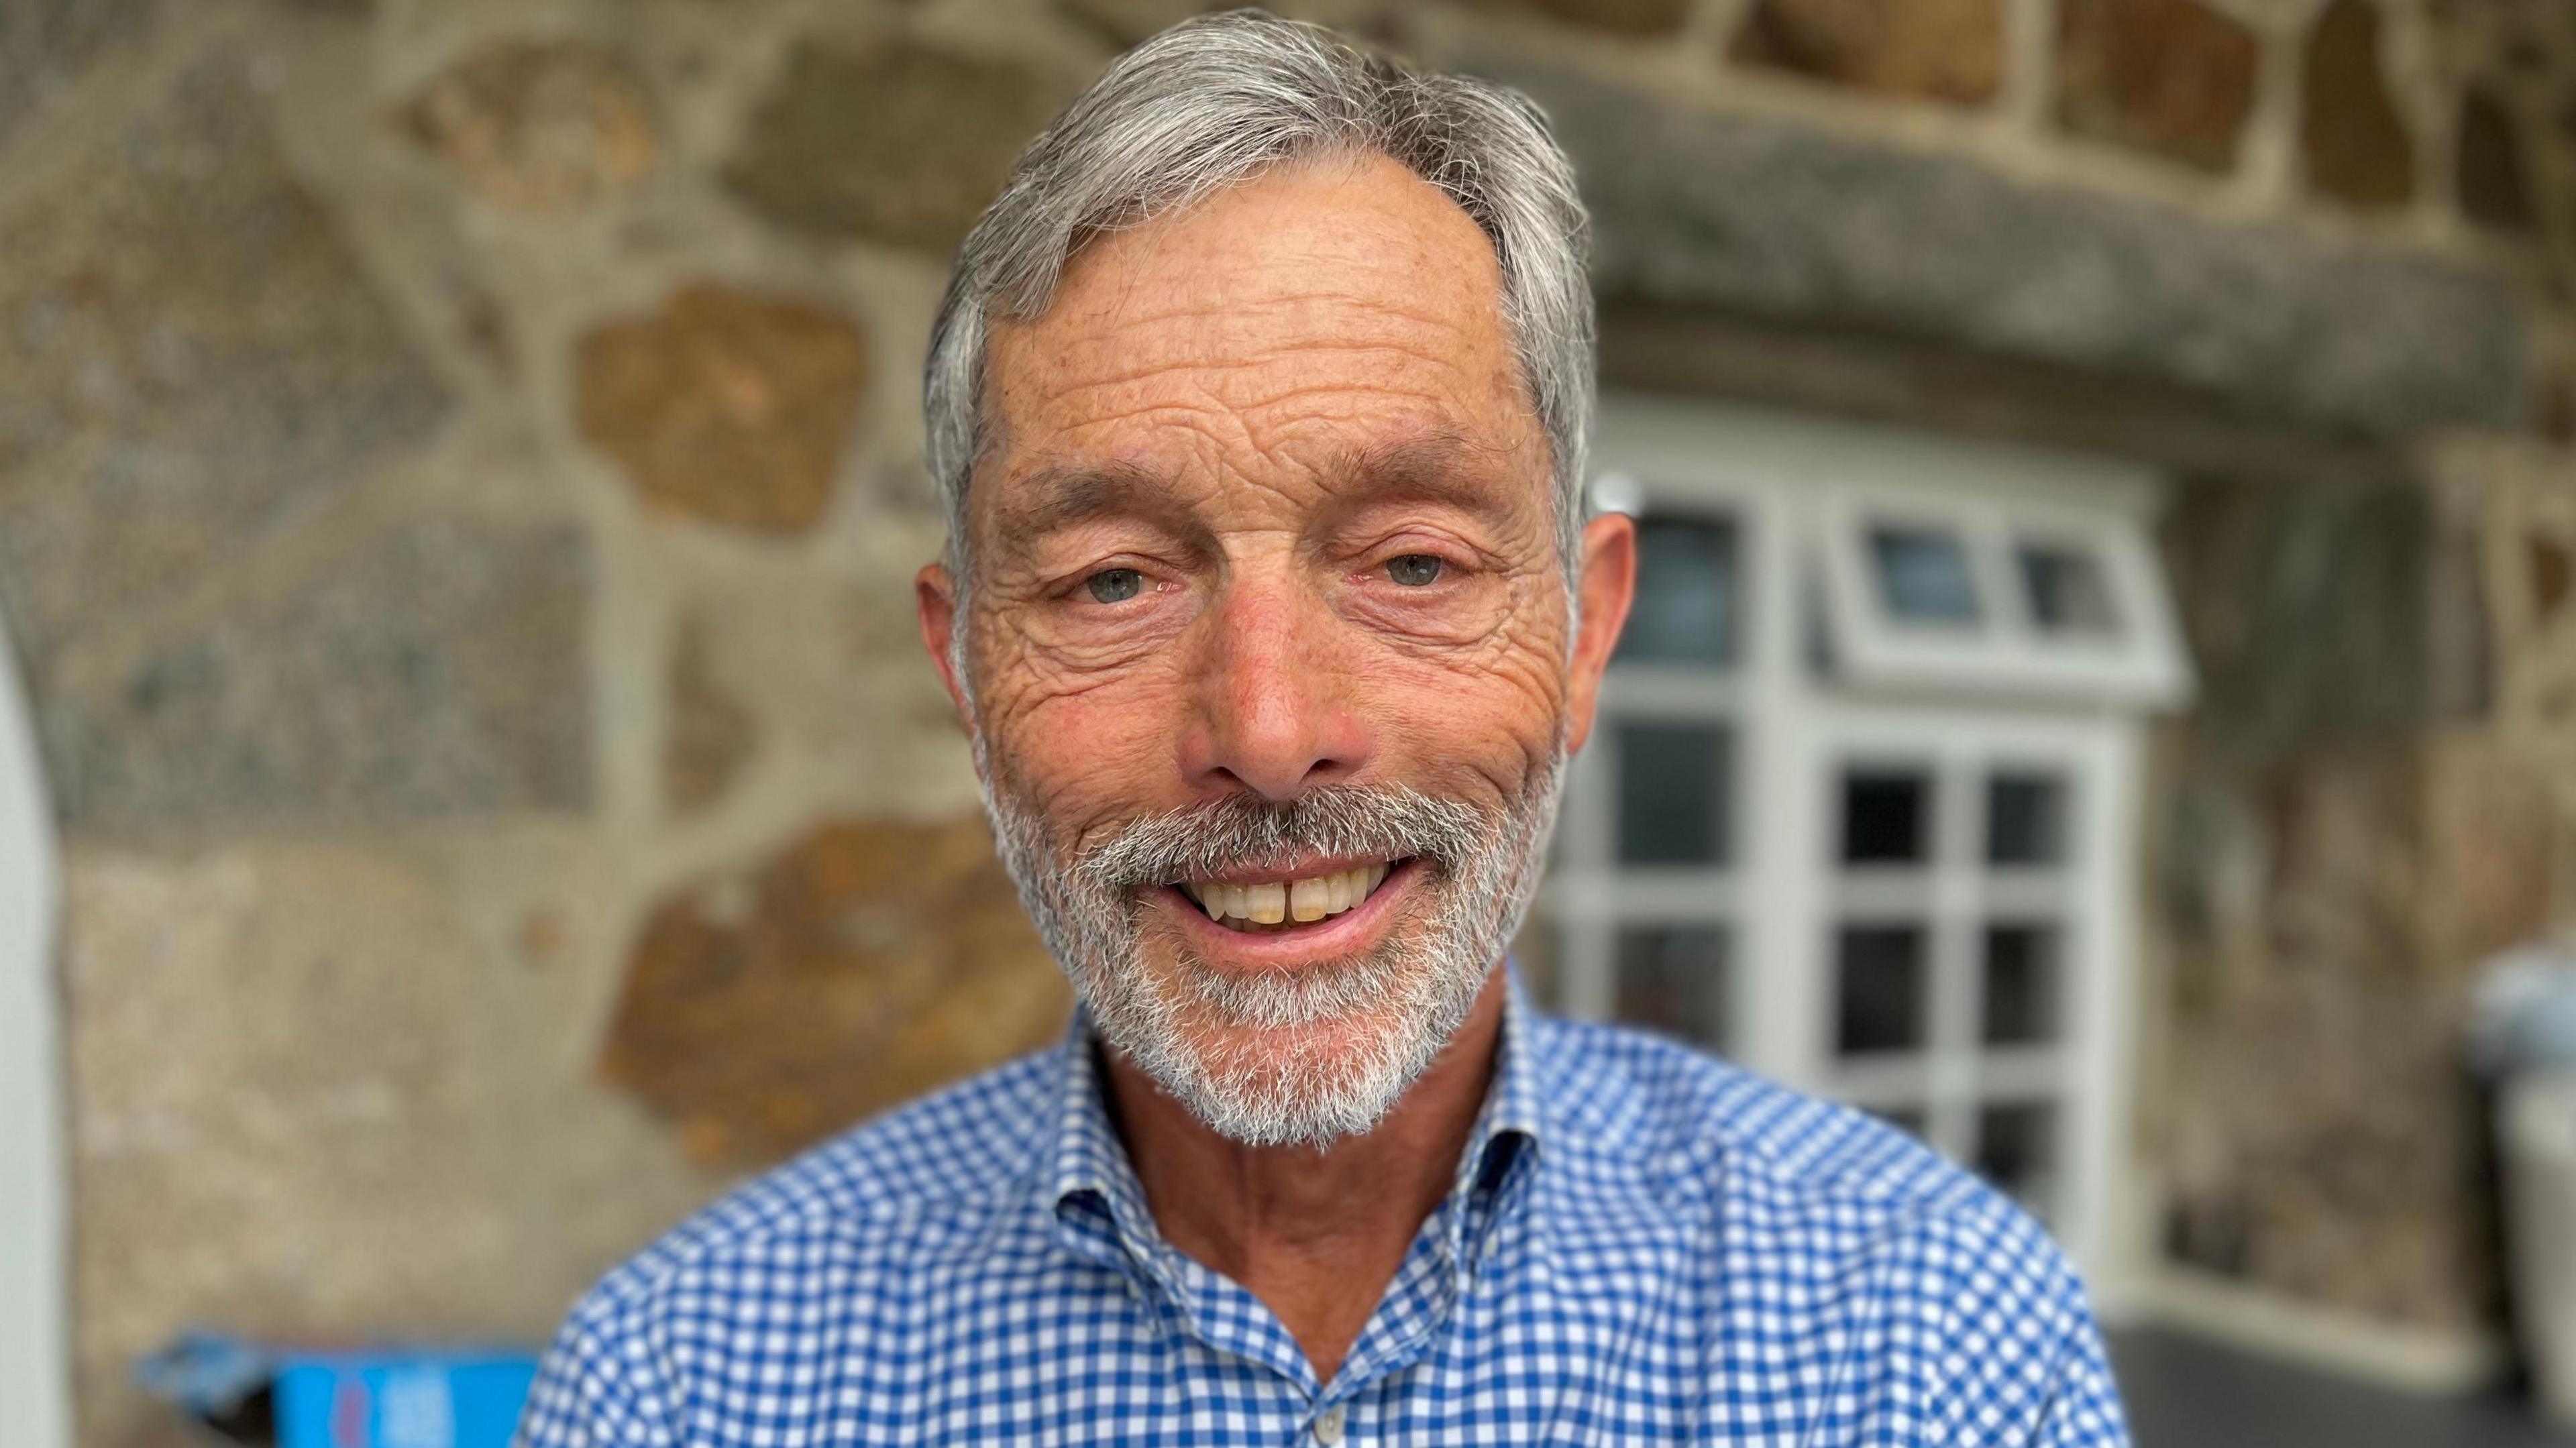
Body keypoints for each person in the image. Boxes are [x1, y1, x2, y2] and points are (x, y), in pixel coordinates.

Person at [517, 11, 2129, 1444]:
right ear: (968, 677)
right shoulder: (689, 1388)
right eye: (1113, 581)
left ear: (1585, 632)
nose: (1272, 733)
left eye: (1413, 562)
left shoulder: (1927, 1350)